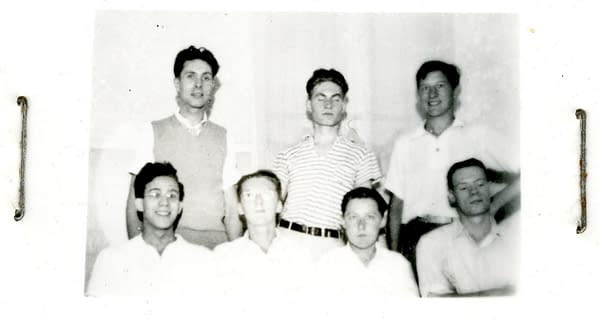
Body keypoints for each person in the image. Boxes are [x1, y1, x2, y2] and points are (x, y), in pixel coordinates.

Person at [385, 60, 520, 271]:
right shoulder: (405, 143)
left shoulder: (478, 135)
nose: (432, 94)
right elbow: (395, 207)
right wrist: (392, 261)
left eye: (439, 86)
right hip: (415, 238)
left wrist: (495, 204)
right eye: (425, 88)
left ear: (455, 92)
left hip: (464, 235)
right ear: (418, 96)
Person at [125, 45, 241, 249]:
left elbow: (232, 209)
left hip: (214, 248)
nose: (198, 84)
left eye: (206, 78)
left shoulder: (225, 136)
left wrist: (236, 255)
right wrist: (139, 254)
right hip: (167, 246)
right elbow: (135, 202)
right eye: (190, 76)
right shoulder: (153, 131)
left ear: (213, 86)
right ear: (177, 84)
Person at [273, 68, 382, 259]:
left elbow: (366, 209)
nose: (328, 104)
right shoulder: (288, 154)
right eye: (320, 98)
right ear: (309, 104)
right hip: (288, 241)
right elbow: (272, 205)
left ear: (343, 106)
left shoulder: (362, 155)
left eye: (336, 98)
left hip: (333, 247)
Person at [87, 162, 215, 296]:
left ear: (179, 207)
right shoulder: (111, 260)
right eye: (155, 194)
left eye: (172, 196)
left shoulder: (202, 260)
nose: (164, 202)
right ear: (140, 204)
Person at [416, 158, 519, 297]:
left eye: (480, 184)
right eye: (464, 187)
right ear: (452, 197)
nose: (474, 192)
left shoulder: (516, 237)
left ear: (489, 190)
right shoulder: (432, 243)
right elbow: (435, 303)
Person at [213, 170, 312, 297]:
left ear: (279, 206)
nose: (258, 202)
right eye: (249, 195)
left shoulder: (299, 254)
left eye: (267, 194)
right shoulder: (223, 256)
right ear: (240, 208)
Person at [317, 187, 419, 298]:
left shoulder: (398, 265)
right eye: (353, 217)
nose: (361, 225)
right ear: (343, 221)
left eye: (370, 217)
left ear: (383, 220)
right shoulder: (327, 265)